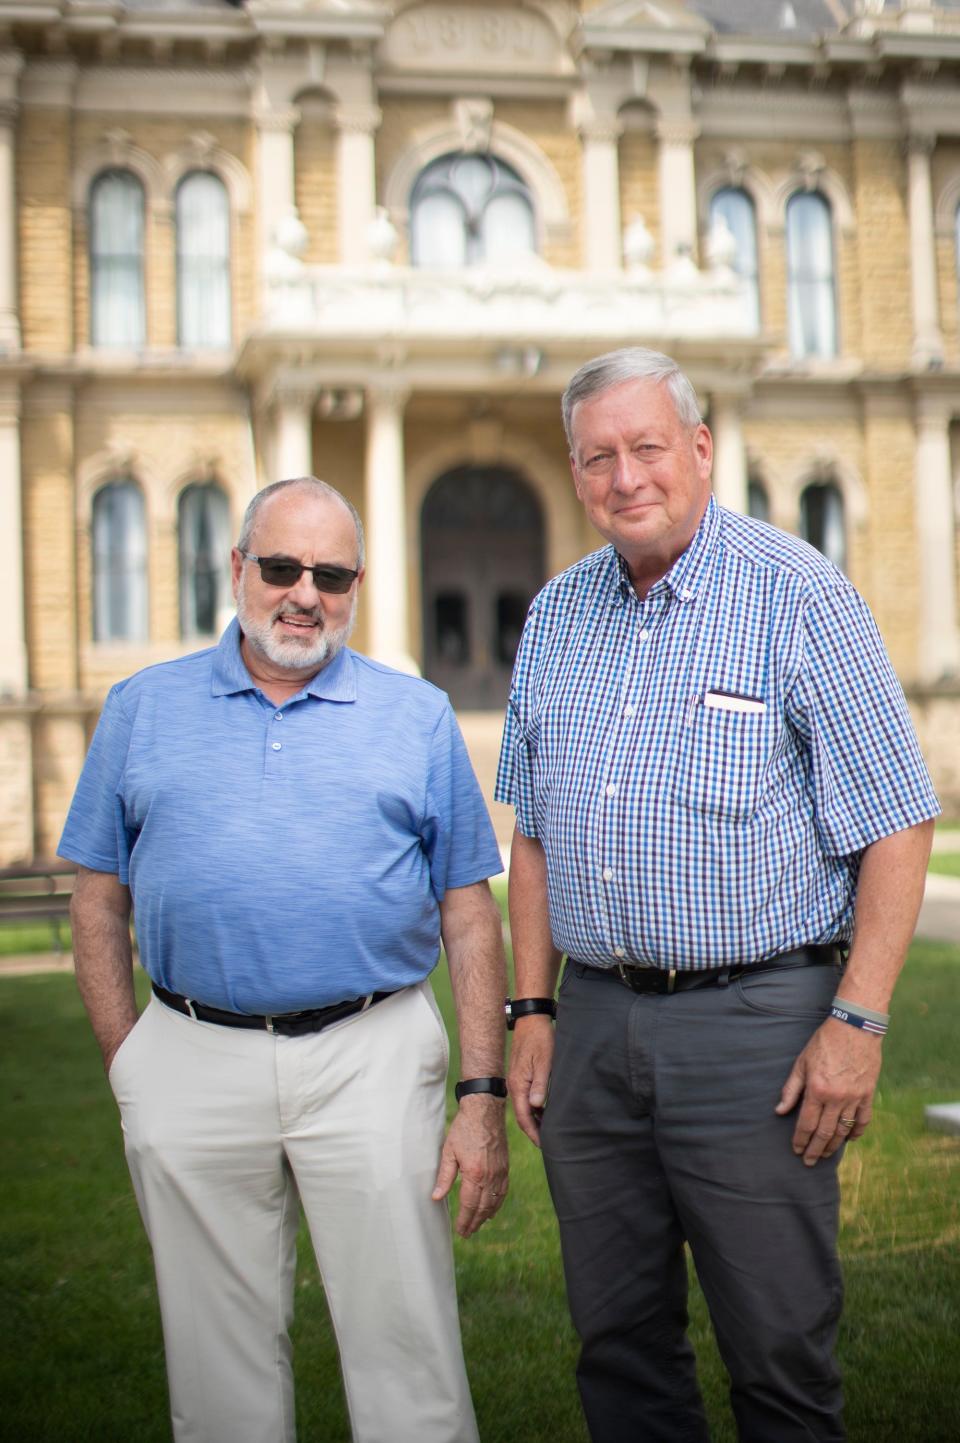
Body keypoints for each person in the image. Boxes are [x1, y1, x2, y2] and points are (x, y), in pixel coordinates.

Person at [495, 347, 938, 1443]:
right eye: (599, 457)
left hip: (756, 1031)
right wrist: (534, 1008)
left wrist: (857, 1020)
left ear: (700, 450)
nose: (626, 477)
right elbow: (535, 836)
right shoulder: (555, 616)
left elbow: (897, 822)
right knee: (619, 1344)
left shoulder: (799, 595)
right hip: (594, 1026)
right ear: (575, 470)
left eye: (649, 447)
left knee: (777, 1349)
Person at [59, 475, 509, 1443]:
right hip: (189, 1050)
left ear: (355, 585)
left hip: (373, 1051)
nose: (305, 593)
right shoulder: (141, 708)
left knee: (409, 1353)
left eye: (331, 574)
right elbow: (97, 898)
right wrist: (127, 1059)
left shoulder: (418, 715)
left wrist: (480, 1095)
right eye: (280, 567)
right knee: (217, 1371)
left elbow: (470, 915)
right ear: (237, 570)